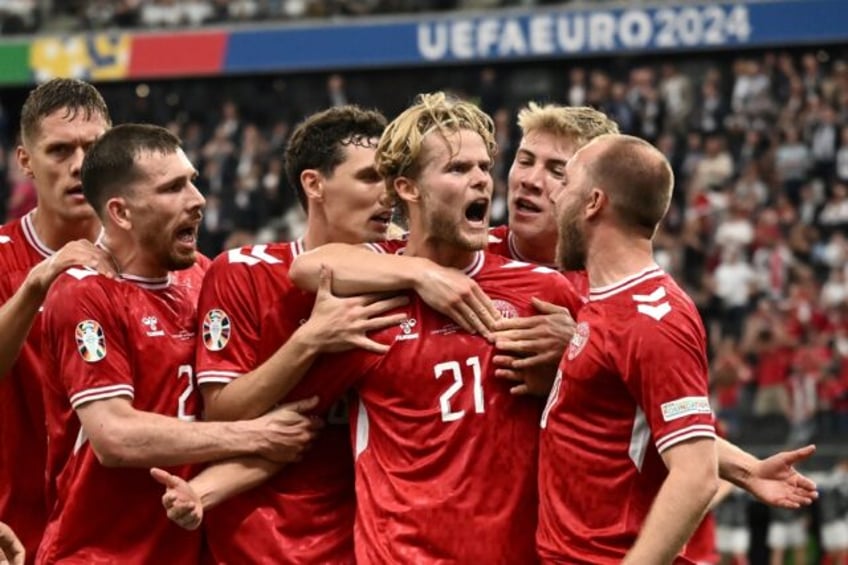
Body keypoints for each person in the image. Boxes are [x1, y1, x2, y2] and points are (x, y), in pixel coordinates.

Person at [163, 92, 583, 561]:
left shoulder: (542, 293)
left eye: (485, 168)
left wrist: (574, 361)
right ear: (408, 189)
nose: (481, 182)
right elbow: (291, 428)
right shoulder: (368, 303)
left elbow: (610, 418)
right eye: (458, 169)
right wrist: (203, 491)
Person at [36, 123, 318, 564]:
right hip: (99, 553)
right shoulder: (83, 292)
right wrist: (253, 435)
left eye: (193, 182)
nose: (198, 200)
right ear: (121, 212)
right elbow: (115, 437)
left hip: (187, 546)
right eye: (172, 188)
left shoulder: (203, 275)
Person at [538, 133, 816, 564]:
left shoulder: (655, 319)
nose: (555, 197)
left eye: (565, 182)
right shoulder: (608, 302)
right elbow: (653, 427)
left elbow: (695, 477)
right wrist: (748, 471)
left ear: (594, 202)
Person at [170, 106, 411, 564]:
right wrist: (309, 340)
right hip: (259, 545)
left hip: (371, 542)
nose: (387, 196)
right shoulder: (244, 271)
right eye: (368, 178)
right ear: (314, 184)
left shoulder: (408, 274)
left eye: (392, 179)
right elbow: (222, 413)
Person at [0, 78, 115, 561]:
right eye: (60, 150)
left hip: (125, 539)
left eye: (93, 148)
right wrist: (36, 283)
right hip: (16, 536)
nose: (80, 166)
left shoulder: (163, 265)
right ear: (25, 160)